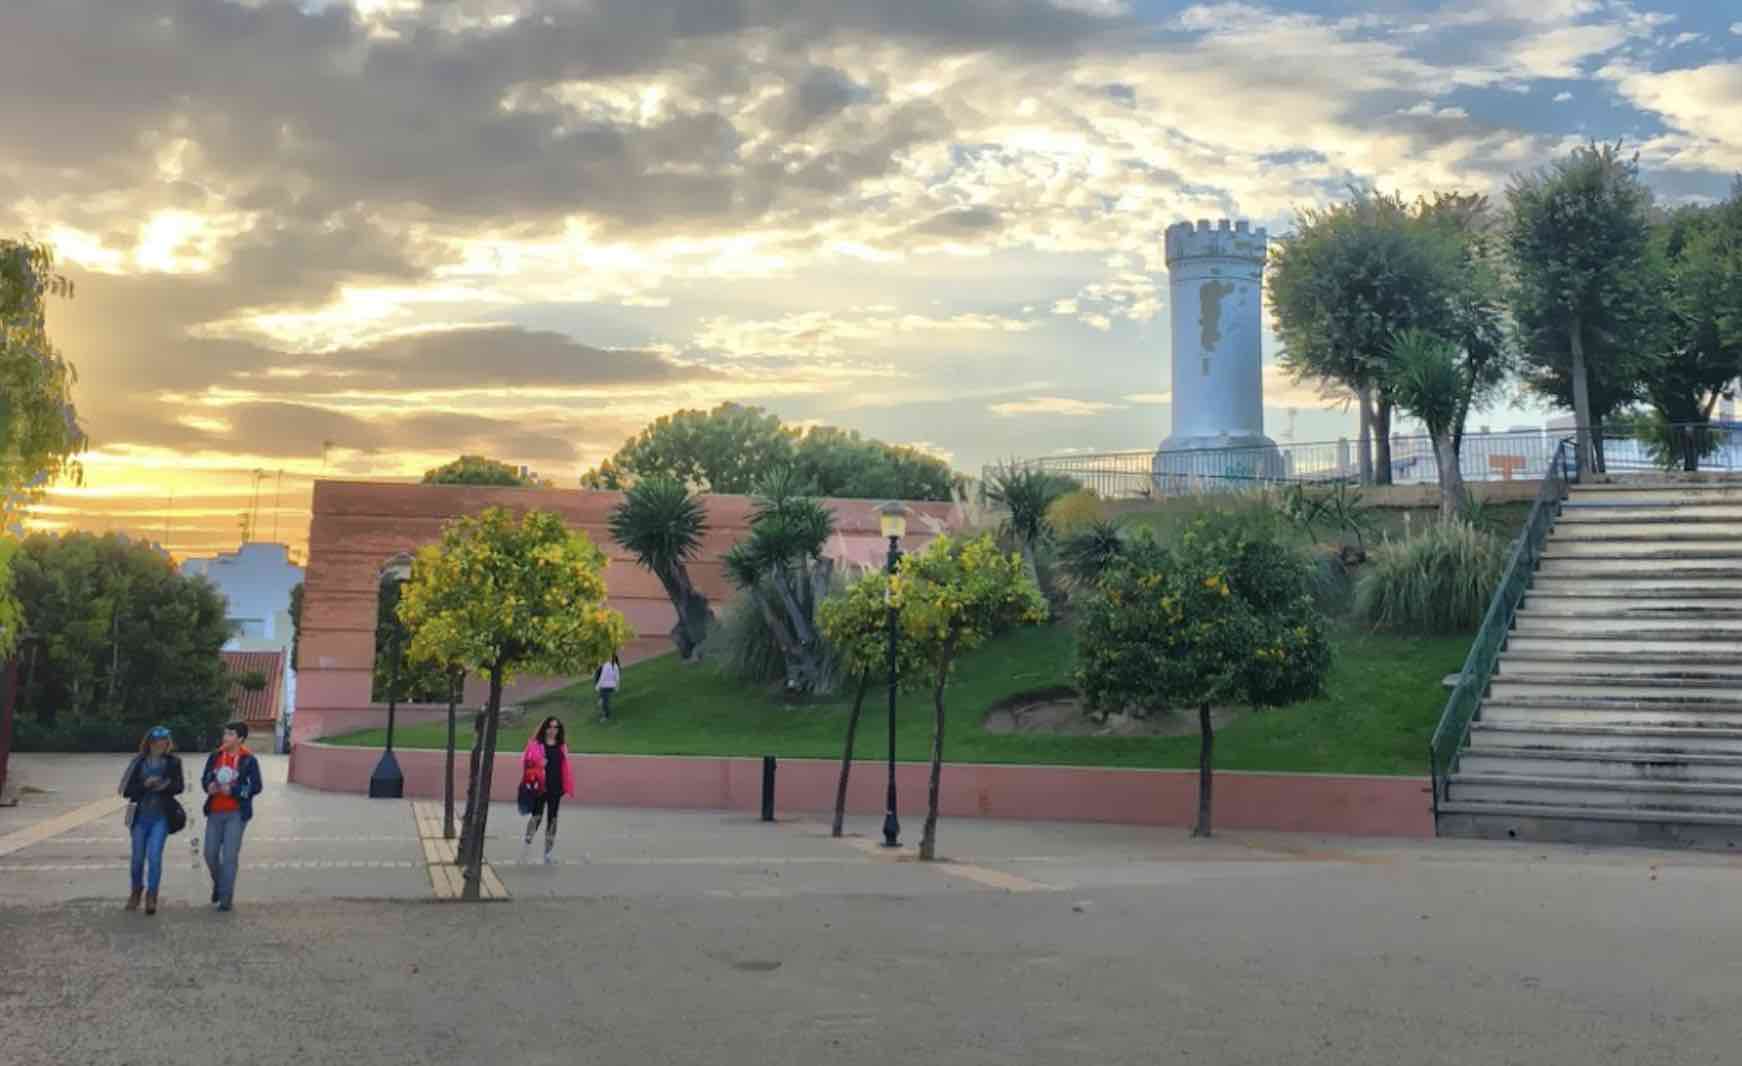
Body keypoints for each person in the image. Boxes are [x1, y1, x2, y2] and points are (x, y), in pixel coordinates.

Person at [120, 726, 185, 915]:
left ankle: (152, 895)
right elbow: (126, 790)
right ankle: (136, 891)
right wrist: (144, 785)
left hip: (161, 817)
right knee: (137, 859)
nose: (161, 744)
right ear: (149, 742)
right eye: (157, 741)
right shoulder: (138, 762)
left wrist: (163, 785)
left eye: (164, 741)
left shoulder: (173, 762)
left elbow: (179, 787)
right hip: (139, 816)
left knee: (155, 856)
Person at [201, 721, 264, 912]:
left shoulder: (248, 759)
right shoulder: (215, 756)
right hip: (215, 811)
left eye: (230, 734)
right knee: (209, 854)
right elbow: (205, 778)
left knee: (229, 856)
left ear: (240, 739)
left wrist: (234, 790)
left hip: (236, 813)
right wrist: (209, 786)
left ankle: (225, 899)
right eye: (225, 733)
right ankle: (219, 884)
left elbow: (256, 787)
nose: (225, 737)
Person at [519, 716, 574, 864]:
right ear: (545, 728)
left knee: (553, 819)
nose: (552, 730)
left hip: (556, 788)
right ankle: (526, 846)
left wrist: (566, 784)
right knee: (536, 817)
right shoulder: (536, 745)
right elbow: (526, 762)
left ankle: (548, 853)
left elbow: (565, 767)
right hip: (540, 787)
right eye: (550, 727)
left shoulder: (561, 746)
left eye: (556, 727)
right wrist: (538, 764)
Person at [594, 653, 622, 722]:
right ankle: (601, 700)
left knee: (604, 703)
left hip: (605, 686)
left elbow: (602, 677)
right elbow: (617, 677)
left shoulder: (606, 665)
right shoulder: (615, 666)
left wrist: (597, 686)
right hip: (611, 686)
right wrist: (617, 686)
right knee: (604, 700)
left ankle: (606, 716)